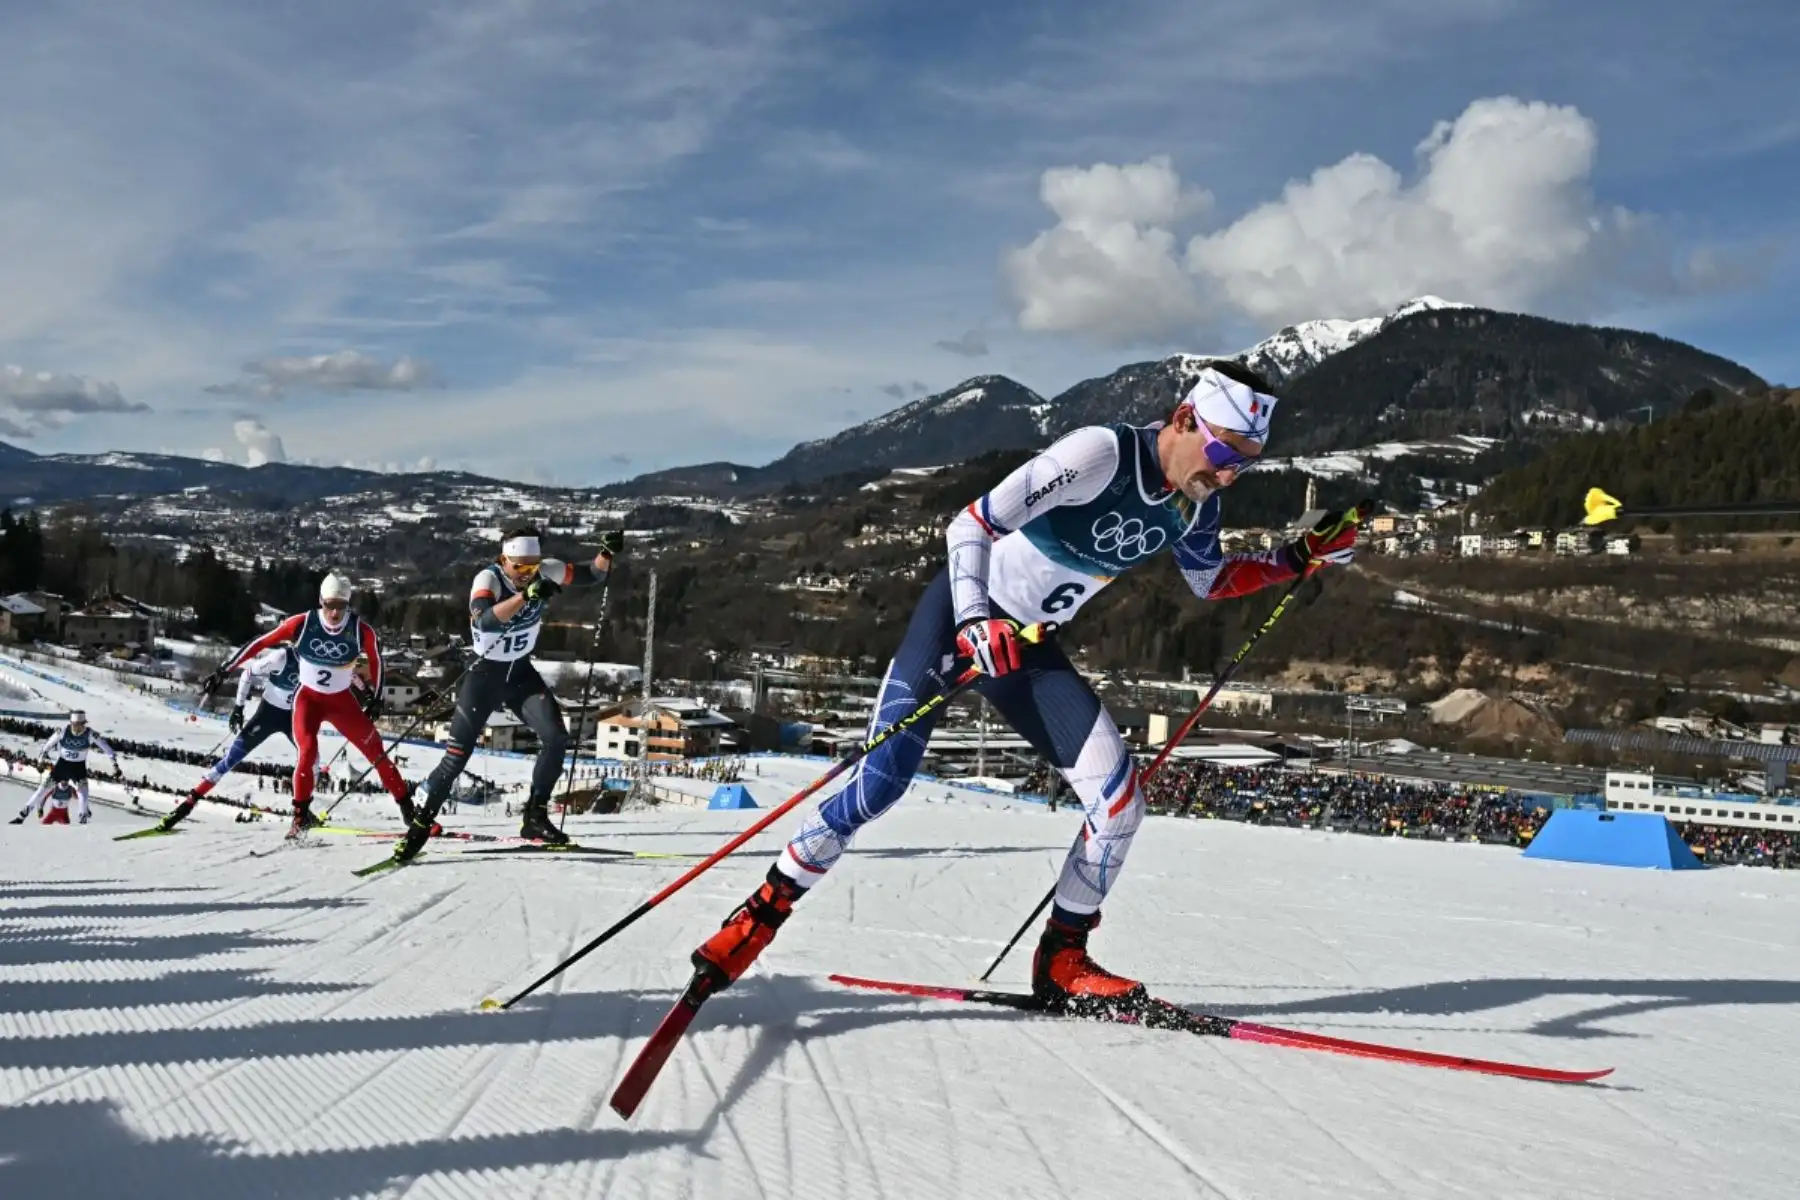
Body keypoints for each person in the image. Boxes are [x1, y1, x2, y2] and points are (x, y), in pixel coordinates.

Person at [689, 361, 1365, 1013]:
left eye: (1244, 464)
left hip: (1028, 651)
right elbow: (971, 524)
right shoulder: (1100, 453)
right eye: (1222, 453)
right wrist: (978, 617)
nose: (1226, 475)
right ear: (1185, 419)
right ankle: (760, 914)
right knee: (880, 784)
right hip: (960, 621)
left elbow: (1209, 581)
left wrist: (1297, 559)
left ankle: (1063, 961)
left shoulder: (1195, 508)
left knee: (1120, 803)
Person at [388, 525, 623, 864]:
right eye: (520, 568)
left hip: (520, 673)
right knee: (457, 755)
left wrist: (606, 554)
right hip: (485, 675)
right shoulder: (489, 579)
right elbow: (484, 621)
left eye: (533, 567)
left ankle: (535, 817)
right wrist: (525, 597)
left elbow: (591, 575)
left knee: (556, 738)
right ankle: (420, 826)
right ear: (504, 559)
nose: (528, 574)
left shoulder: (546, 570)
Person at [209, 572, 411, 838]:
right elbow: (261, 642)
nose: (335, 612)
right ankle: (300, 818)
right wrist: (226, 669)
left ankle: (410, 812)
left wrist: (376, 695)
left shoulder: (360, 630)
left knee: (376, 751)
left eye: (341, 606)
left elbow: (376, 659)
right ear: (320, 601)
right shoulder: (303, 624)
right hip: (309, 700)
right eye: (329, 605)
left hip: (341, 702)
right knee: (307, 753)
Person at [158, 640, 306, 832]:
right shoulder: (282, 657)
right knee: (229, 761)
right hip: (268, 715)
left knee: (311, 760)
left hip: (293, 717)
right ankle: (185, 806)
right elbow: (248, 674)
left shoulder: (320, 661)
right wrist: (238, 707)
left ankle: (302, 816)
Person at [10, 709, 120, 825]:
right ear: (71, 723)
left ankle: (83, 819)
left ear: (84, 724)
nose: (78, 728)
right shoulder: (63, 730)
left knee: (83, 793)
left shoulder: (90, 734)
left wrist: (115, 765)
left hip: (78, 768)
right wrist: (40, 761)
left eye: (81, 725)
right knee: (42, 790)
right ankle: (22, 816)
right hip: (62, 766)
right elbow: (47, 745)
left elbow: (107, 748)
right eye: (75, 725)